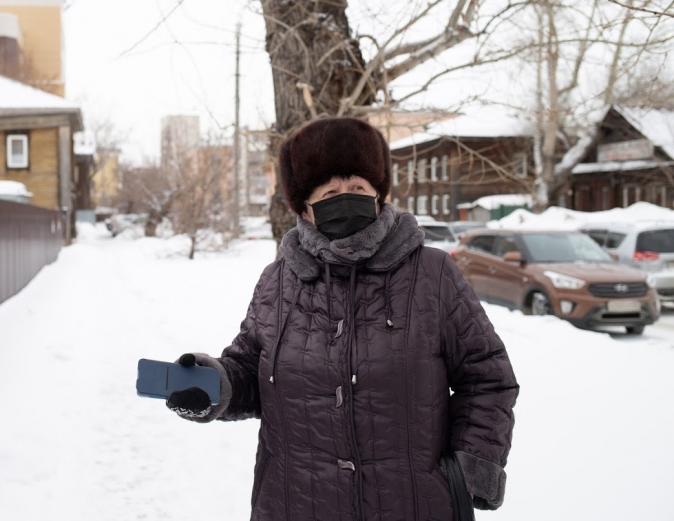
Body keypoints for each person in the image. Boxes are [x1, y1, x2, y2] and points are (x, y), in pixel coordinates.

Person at [166, 117, 519, 520]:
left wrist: (468, 472)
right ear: (304, 206)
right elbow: (250, 369)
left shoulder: (432, 274)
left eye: (357, 188)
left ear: (379, 194)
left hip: (415, 506)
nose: (345, 198)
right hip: (295, 504)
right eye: (330, 191)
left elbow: (487, 377)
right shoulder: (278, 281)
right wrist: (212, 385)